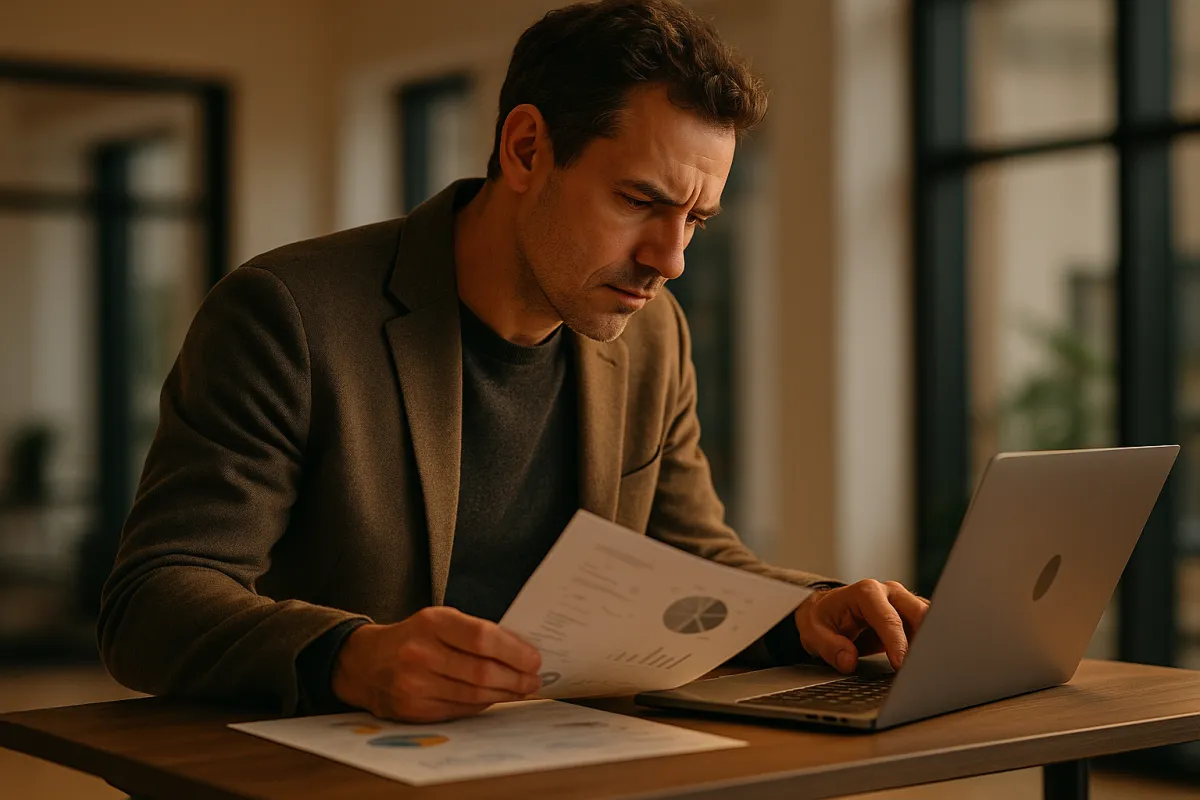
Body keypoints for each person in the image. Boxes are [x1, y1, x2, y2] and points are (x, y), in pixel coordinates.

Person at [98, 0, 928, 725]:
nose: (671, 259)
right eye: (640, 201)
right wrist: (350, 655)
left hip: (555, 756)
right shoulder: (289, 314)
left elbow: (692, 557)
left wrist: (809, 609)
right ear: (527, 149)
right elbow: (153, 599)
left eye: (696, 221)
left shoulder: (653, 334)